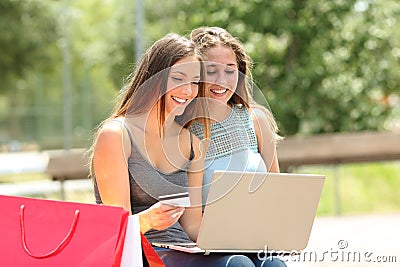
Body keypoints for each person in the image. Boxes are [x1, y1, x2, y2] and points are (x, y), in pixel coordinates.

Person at [89, 33, 280, 267]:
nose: (187, 91)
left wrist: (241, 238)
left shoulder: (191, 143)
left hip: (185, 250)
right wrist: (148, 220)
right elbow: (113, 227)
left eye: (194, 82)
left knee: (270, 263)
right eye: (178, 78)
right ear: (154, 78)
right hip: (143, 252)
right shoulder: (116, 135)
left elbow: (192, 226)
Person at [188, 26, 286, 266]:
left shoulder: (257, 120)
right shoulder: (184, 130)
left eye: (230, 70)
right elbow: (187, 218)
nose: (222, 81)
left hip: (256, 239)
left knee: (275, 265)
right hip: (207, 247)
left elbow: (278, 193)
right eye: (211, 71)